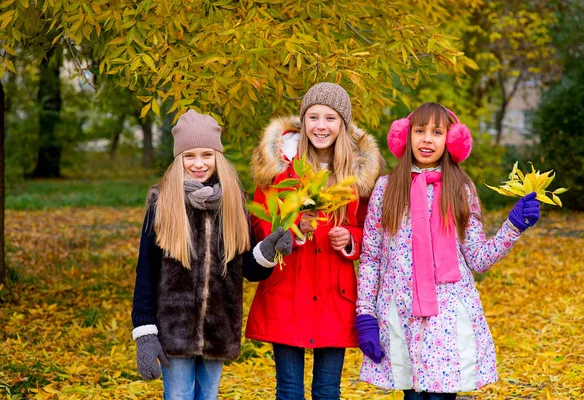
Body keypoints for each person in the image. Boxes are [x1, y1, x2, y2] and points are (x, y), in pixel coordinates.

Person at [355, 102, 541, 400]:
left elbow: (479, 258)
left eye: (437, 132)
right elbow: (371, 257)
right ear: (406, 136)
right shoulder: (386, 188)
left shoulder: (461, 189)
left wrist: (513, 226)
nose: (427, 139)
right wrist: (365, 314)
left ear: (450, 140)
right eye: (420, 131)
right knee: (412, 397)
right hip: (400, 316)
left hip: (447, 321)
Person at [131, 110, 293, 400]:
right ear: (178, 159)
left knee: (208, 396)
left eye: (206, 154)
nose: (198, 163)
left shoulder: (231, 203)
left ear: (217, 155)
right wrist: (145, 332)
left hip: (218, 328)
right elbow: (146, 273)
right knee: (179, 395)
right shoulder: (163, 204)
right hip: (174, 329)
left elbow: (249, 269)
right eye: (189, 156)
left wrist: (268, 250)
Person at [245, 82, 385, 400]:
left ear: (343, 124)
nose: (321, 126)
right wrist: (292, 227)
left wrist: (350, 237)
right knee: (289, 390)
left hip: (336, 294)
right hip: (287, 291)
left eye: (330, 118)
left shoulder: (357, 175)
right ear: (303, 120)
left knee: (327, 390)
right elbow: (261, 222)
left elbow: (372, 229)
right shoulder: (281, 169)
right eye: (313, 117)